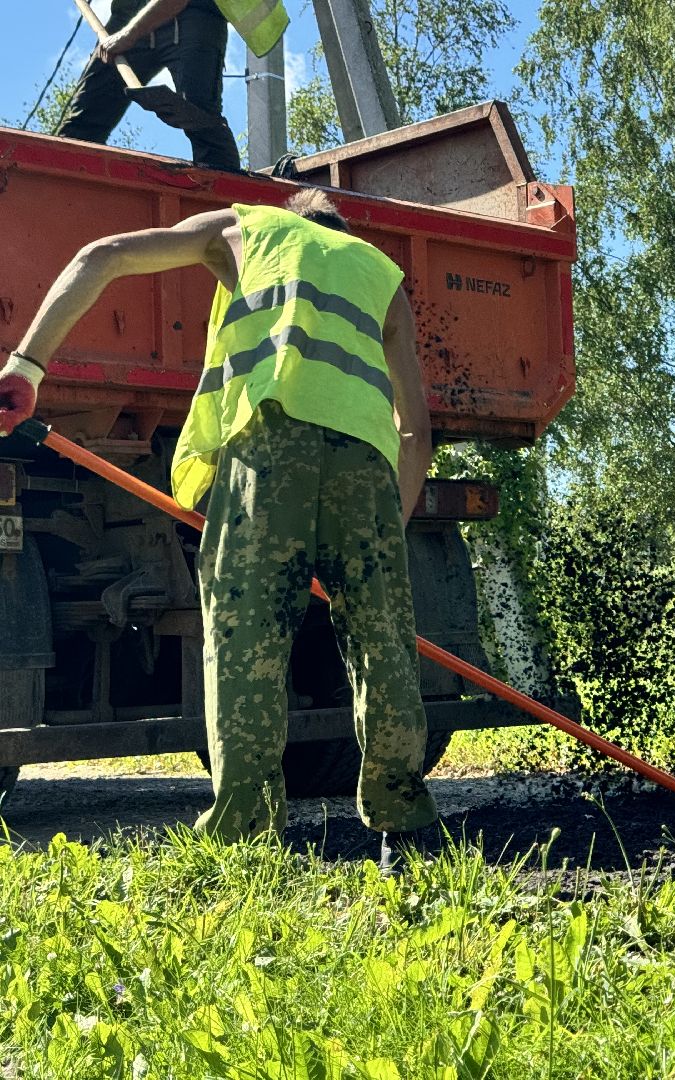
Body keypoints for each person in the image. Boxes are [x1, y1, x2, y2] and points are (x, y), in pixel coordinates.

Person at [0, 189, 440, 872]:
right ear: (339, 230)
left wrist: (27, 367)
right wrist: (386, 527)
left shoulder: (247, 228)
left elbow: (102, 255)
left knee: (248, 638)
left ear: (291, 215)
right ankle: (402, 829)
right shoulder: (380, 273)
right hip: (366, 462)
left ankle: (245, 835)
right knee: (381, 640)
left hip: (271, 440)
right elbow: (417, 431)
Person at [58, 0, 289, 172]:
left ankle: (223, 212)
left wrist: (129, 35)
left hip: (192, 14)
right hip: (130, 12)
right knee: (79, 130)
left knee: (201, 123)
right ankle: (61, 191)